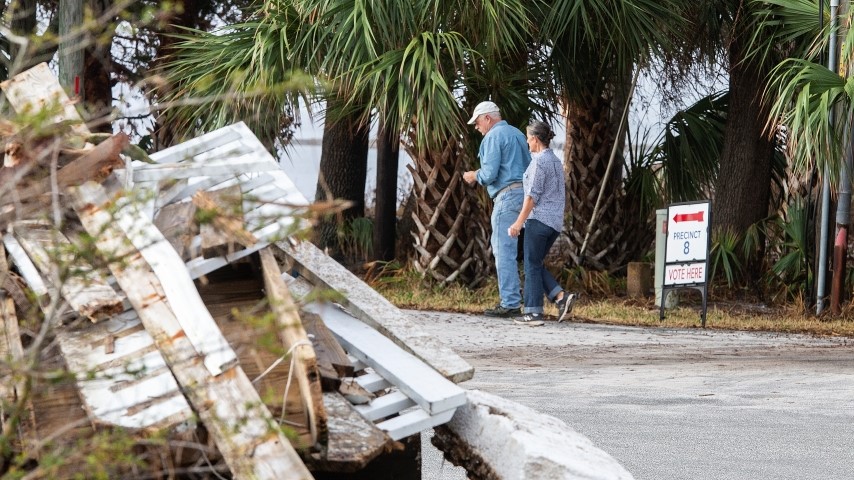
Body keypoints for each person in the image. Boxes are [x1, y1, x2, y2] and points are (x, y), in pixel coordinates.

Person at [463, 101, 530, 317]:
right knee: (525, 252)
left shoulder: (493, 137)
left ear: (487, 119)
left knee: (504, 251)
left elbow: (490, 173)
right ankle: (531, 302)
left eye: (477, 123)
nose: (477, 128)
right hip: (525, 197)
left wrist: (474, 175)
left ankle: (510, 303)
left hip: (507, 196)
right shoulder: (519, 134)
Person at [508, 120, 576, 325]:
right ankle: (560, 297)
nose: (527, 141)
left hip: (538, 220)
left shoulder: (539, 163)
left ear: (535, 139)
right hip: (554, 223)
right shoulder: (554, 160)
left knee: (530, 265)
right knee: (534, 263)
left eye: (528, 138)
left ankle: (533, 313)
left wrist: (518, 223)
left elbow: (532, 197)